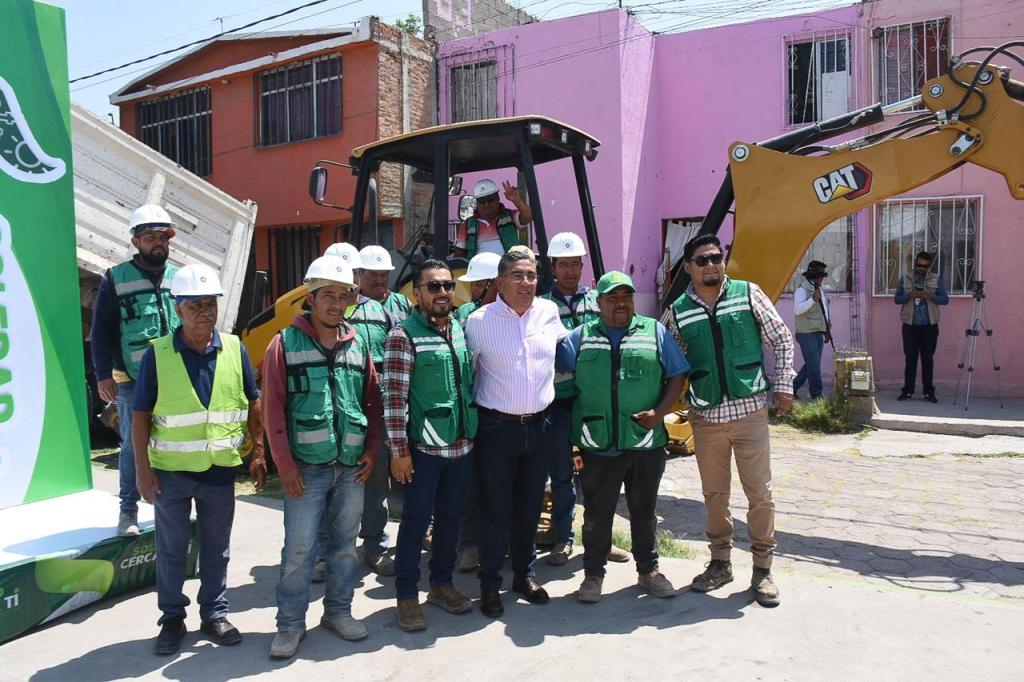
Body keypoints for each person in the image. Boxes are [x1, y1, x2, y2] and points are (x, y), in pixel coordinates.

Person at [131, 263, 266, 655]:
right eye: (196, 306)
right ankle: (172, 618)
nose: (205, 312)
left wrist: (257, 451)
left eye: (211, 304)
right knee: (172, 549)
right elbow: (140, 415)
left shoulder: (233, 348)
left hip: (219, 471)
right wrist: (143, 470)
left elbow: (253, 401)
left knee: (216, 548)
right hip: (171, 473)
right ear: (178, 309)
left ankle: (214, 614)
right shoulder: (158, 355)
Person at [262, 255, 382, 658]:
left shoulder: (357, 342)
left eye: (342, 295)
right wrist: (285, 465)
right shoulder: (284, 343)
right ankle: (290, 625)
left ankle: (338, 612)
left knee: (346, 545)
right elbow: (272, 408)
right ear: (310, 298)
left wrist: (371, 450)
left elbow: (372, 402)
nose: (334, 303)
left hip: (350, 466)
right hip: (306, 469)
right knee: (299, 551)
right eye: (326, 295)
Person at [669, 234, 794, 608]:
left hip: (749, 413)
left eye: (716, 258)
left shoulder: (747, 293)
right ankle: (720, 563)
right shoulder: (678, 310)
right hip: (705, 418)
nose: (711, 265)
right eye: (702, 260)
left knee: (760, 494)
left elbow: (782, 338)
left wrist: (784, 384)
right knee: (714, 495)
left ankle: (762, 569)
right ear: (688, 267)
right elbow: (668, 359)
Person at [556, 271, 688, 603]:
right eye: (612, 298)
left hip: (646, 443)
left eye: (626, 297)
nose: (620, 304)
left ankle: (649, 571)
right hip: (597, 443)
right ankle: (593, 575)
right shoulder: (578, 338)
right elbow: (558, 384)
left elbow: (677, 374)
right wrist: (572, 436)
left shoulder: (654, 332)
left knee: (644, 511)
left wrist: (659, 413)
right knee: (597, 514)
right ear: (598, 303)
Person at [463, 249, 568, 618]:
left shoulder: (549, 313)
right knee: (495, 509)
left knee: (528, 507)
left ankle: (524, 575)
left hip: (539, 426)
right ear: (501, 281)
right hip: (496, 430)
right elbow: (468, 374)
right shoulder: (478, 322)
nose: (527, 283)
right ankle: (490, 584)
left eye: (532, 276)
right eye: (518, 276)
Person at [383, 259, 477, 632]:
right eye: (433, 286)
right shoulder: (402, 336)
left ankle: (441, 585)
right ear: (417, 293)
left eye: (448, 286)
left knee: (450, 522)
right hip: (424, 453)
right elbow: (394, 399)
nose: (442, 293)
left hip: (461, 448)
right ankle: (406, 596)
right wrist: (400, 452)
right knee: (414, 523)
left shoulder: (459, 329)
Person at [91, 203, 180, 537]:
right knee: (132, 446)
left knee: (173, 442)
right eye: (150, 237)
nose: (158, 242)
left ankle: (172, 508)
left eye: (163, 236)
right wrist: (103, 375)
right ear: (136, 242)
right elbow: (101, 331)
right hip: (132, 380)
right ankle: (128, 511)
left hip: (175, 379)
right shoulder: (116, 278)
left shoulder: (178, 276)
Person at [331, 242, 397, 576]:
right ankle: (326, 551)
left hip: (376, 408)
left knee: (375, 480)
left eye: (354, 273)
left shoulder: (380, 311)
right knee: (330, 482)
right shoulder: (323, 312)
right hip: (335, 410)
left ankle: (375, 545)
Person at [538, 231, 602, 566]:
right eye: (563, 265)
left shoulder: (597, 301)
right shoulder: (542, 306)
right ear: (553, 266)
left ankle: (598, 540)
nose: (570, 272)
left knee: (598, 475)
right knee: (562, 474)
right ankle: (563, 538)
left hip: (594, 401)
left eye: (575, 264)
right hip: (559, 401)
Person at [894, 251, 949, 403]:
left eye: (924, 266)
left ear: (928, 266)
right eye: (918, 265)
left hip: (929, 326)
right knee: (910, 359)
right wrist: (909, 296)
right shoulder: (905, 279)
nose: (921, 268)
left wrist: (930, 296)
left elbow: (945, 300)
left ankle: (928, 392)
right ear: (914, 264)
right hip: (910, 326)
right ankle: (907, 391)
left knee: (928, 360)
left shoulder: (936, 279)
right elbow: (897, 299)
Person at [452, 179, 533, 258]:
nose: (486, 204)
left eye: (490, 200)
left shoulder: (509, 216)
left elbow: (528, 217)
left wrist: (517, 200)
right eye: (482, 201)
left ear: (498, 199)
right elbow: (459, 252)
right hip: (477, 269)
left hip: (508, 268)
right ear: (477, 203)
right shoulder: (467, 224)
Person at [792, 260, 831, 400]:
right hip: (806, 333)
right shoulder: (801, 290)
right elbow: (797, 310)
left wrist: (827, 328)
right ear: (813, 276)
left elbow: (824, 309)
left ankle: (792, 388)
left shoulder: (819, 288)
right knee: (814, 365)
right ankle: (816, 394)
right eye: (820, 275)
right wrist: (812, 300)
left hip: (818, 332)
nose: (822, 278)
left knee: (811, 364)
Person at [359, 244, 412, 321]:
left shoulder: (403, 303)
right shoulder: (350, 303)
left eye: (383, 275)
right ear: (360, 274)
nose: (379, 280)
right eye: (373, 274)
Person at [454, 251, 501, 327]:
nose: (472, 290)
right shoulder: (464, 311)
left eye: (479, 285)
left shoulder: (513, 314)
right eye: (471, 284)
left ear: (498, 284)